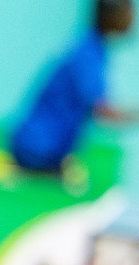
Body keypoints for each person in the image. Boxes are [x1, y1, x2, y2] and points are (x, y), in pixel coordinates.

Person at [9, 0, 136, 175]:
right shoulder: (88, 55)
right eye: (129, 11)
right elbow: (103, 112)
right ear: (111, 14)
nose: (133, 18)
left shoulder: (90, 47)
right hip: (37, 150)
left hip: (40, 147)